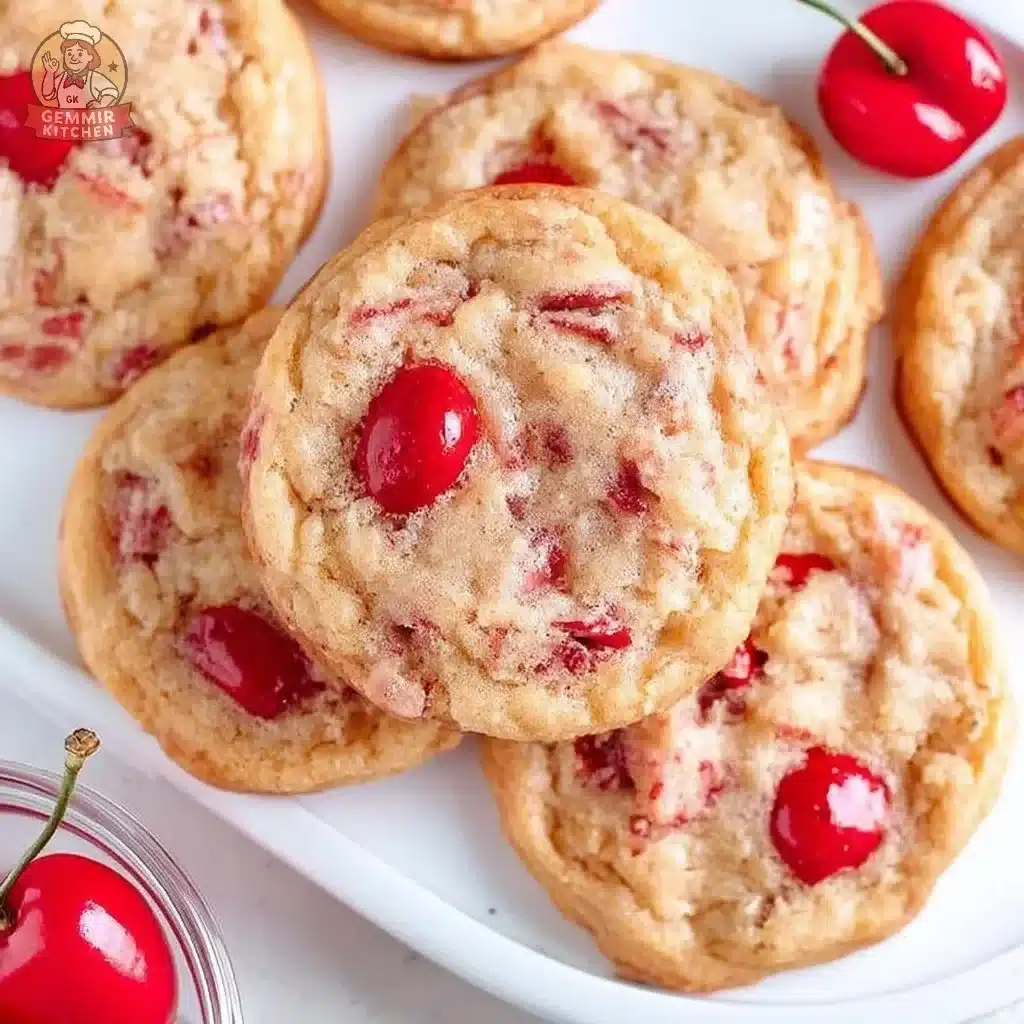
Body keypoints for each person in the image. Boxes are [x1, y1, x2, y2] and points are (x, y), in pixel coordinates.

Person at [40, 21, 119, 110]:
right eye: (69, 54)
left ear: (90, 56)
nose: (73, 58)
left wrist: (101, 104)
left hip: (87, 122)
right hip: (63, 122)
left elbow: (111, 92)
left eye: (80, 54)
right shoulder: (63, 77)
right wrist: (50, 74)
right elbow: (48, 94)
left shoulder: (93, 77)